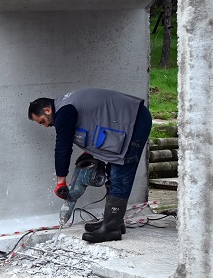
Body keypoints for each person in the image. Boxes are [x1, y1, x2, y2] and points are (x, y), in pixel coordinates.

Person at [28, 88, 152, 243]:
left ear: (47, 110)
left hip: (135, 120)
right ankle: (114, 221)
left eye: (43, 121)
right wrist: (89, 153)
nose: (46, 126)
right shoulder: (66, 104)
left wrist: (61, 181)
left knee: (120, 173)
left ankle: (111, 229)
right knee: (113, 169)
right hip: (129, 119)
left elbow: (63, 146)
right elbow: (94, 123)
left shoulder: (64, 111)